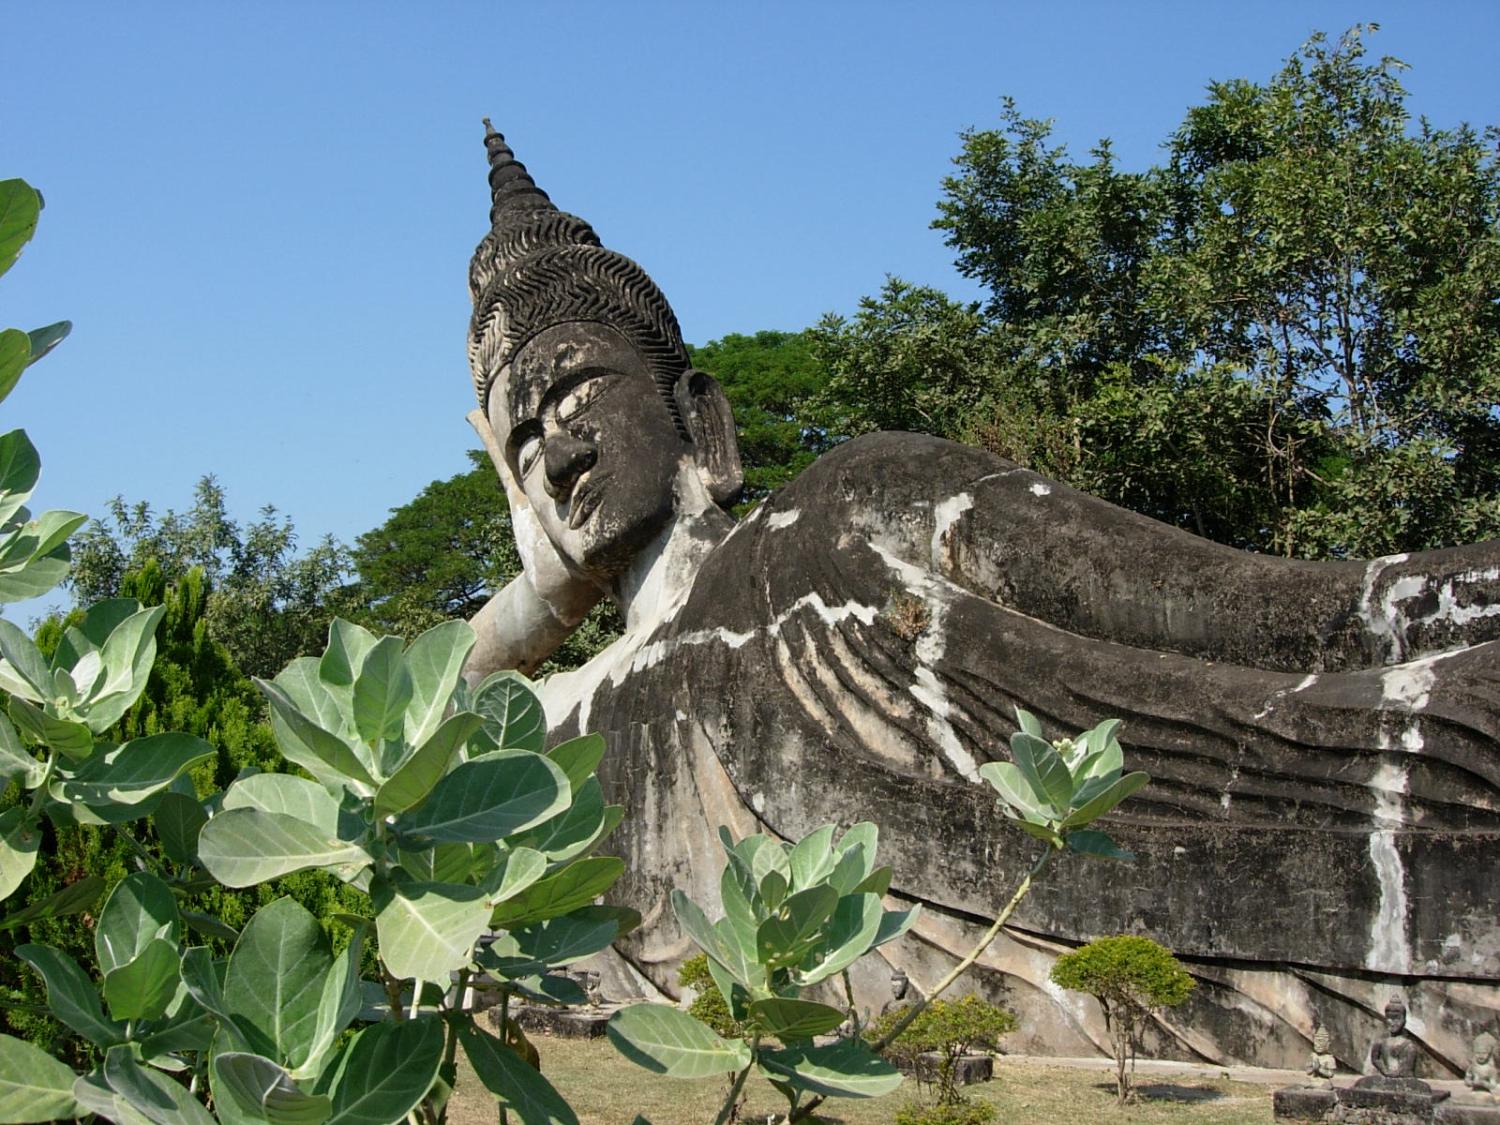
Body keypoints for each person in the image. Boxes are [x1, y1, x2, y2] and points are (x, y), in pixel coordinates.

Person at [460, 124, 1500, 1066]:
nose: (555, 452)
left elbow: (1287, 616)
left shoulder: (838, 510)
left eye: (573, 391)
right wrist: (543, 596)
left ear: (703, 422)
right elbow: (430, 724)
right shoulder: (569, 721)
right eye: (520, 444)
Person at [1367, 998, 1419, 1079]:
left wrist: (1395, 1073)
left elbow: (1407, 1068)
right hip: (1386, 1076)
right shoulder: (1381, 1042)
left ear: (1404, 1021)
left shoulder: (1409, 1046)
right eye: (1389, 1018)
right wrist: (1385, 1071)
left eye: (1397, 1019)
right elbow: (1375, 1059)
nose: (1392, 1023)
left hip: (1404, 1079)